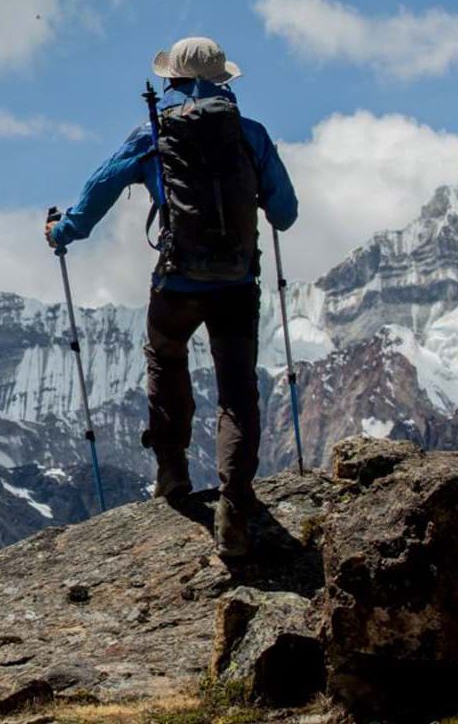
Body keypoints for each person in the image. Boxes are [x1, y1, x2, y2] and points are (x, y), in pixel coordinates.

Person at [45, 36, 297, 558]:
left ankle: (172, 471)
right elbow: (286, 213)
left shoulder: (153, 134)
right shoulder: (251, 135)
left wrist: (60, 231)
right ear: (224, 80)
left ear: (170, 81)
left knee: (165, 356)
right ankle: (234, 503)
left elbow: (95, 198)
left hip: (178, 282)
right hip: (236, 284)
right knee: (237, 393)